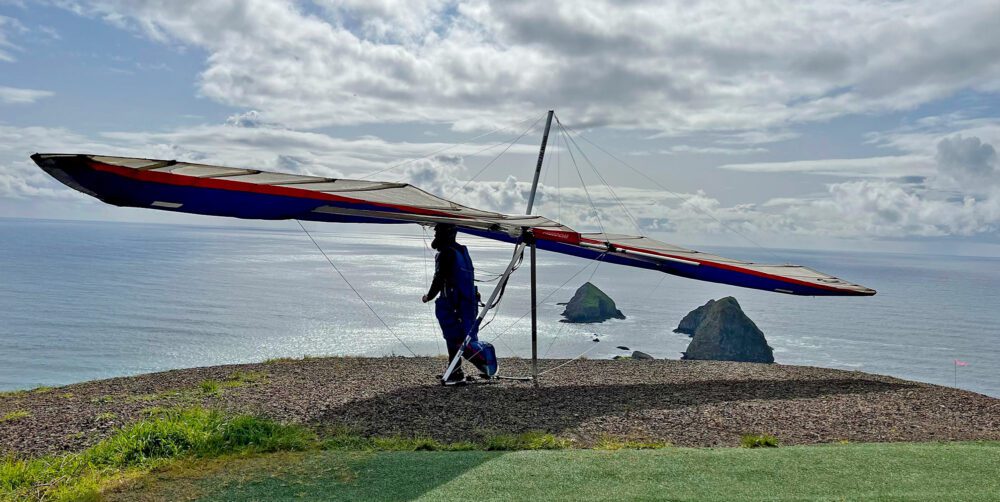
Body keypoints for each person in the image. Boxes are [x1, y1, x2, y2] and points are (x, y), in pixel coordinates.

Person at [422, 223, 495, 384]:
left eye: (438, 233)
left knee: (454, 337)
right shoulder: (462, 251)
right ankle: (454, 368)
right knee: (464, 336)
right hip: (468, 303)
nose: (436, 237)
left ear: (447, 235)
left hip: (454, 304)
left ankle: (456, 371)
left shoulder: (447, 253)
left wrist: (429, 296)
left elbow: (439, 278)